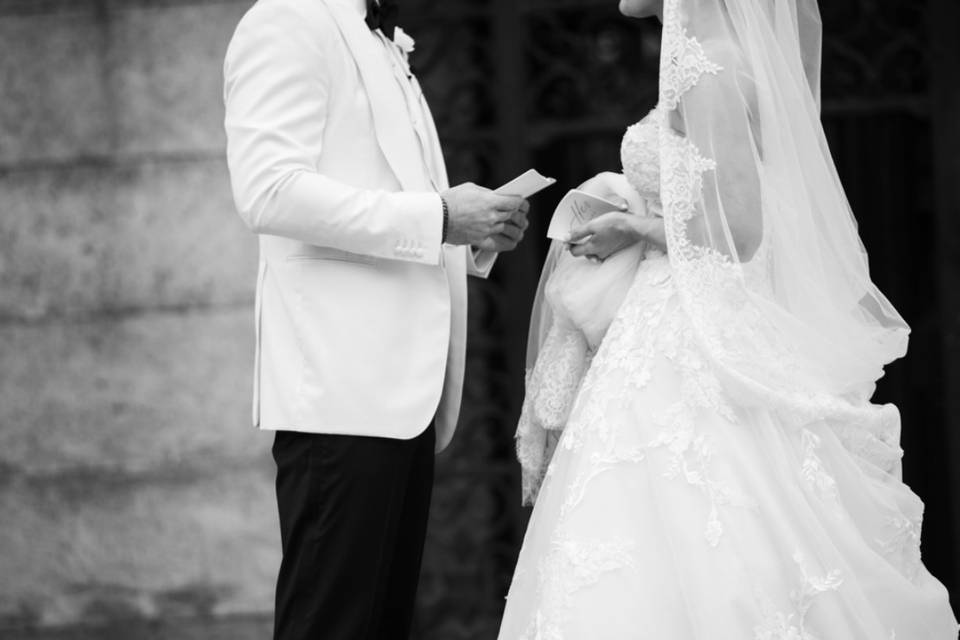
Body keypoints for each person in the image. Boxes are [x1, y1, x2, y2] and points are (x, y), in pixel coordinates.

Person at [500, 0, 960, 637]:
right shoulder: (709, 55)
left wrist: (632, 224)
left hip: (684, 328)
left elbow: (739, 230)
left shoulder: (707, 64)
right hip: (679, 311)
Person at [222, 0, 529, 638]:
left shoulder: (384, 38)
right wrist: (440, 217)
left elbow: (390, 190)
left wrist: (471, 234)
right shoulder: (287, 20)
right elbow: (269, 190)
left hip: (397, 391)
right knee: (332, 623)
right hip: (340, 388)